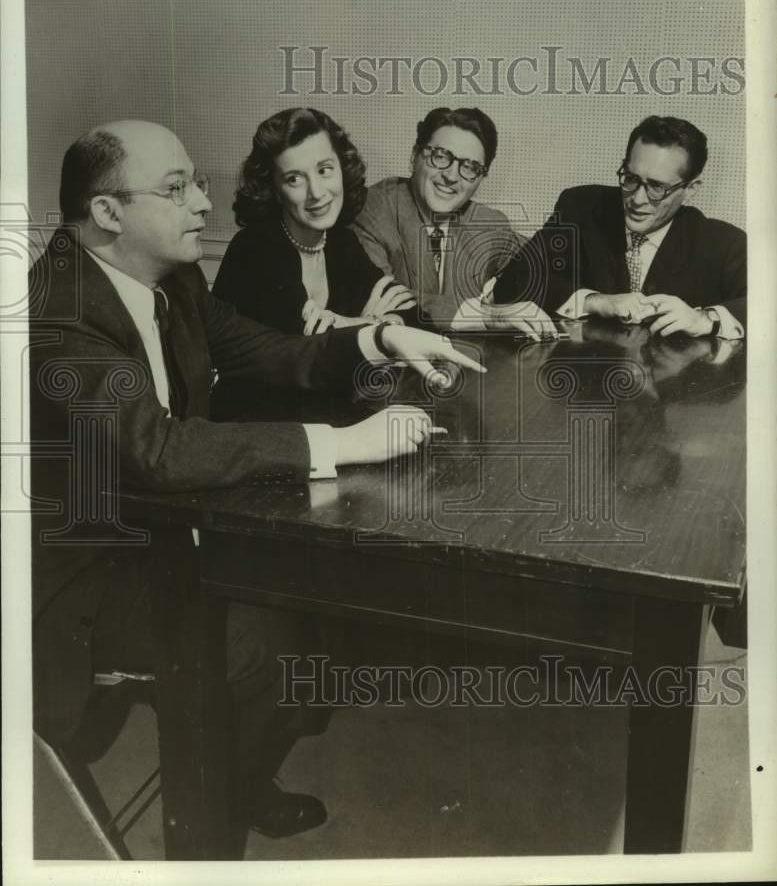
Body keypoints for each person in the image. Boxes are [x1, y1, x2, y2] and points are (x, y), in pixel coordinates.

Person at [28, 120, 485, 843]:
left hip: (165, 527)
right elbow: (161, 453)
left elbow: (260, 349)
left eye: (198, 185)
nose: (203, 206)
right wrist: (344, 442)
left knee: (315, 597)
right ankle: (206, 833)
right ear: (108, 212)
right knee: (259, 643)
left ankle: (235, 781)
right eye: (176, 190)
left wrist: (380, 337)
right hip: (85, 576)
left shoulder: (169, 275)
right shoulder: (57, 311)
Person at [489, 116, 746, 341]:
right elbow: (513, 281)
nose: (637, 199)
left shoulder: (723, 243)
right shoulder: (581, 208)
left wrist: (706, 319)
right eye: (631, 179)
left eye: (657, 187)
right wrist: (595, 302)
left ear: (690, 189)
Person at [213, 108, 416, 336]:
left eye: (324, 170)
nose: (317, 192)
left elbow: (414, 314)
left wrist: (353, 324)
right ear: (275, 191)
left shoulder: (341, 241)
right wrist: (373, 323)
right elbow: (305, 351)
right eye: (294, 179)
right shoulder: (255, 248)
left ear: (342, 168)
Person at [350, 106, 522, 328]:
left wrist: (580, 301)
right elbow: (383, 298)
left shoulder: (490, 225)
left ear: (480, 178)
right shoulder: (374, 210)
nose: (451, 176)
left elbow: (542, 265)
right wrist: (485, 315)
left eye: (469, 167)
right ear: (415, 155)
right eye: (440, 157)